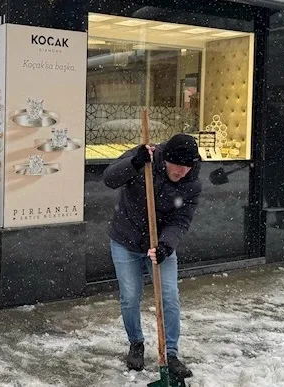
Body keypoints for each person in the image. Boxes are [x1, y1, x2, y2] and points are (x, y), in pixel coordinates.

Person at [103, 134, 202, 379]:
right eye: (177, 165)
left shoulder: (192, 183)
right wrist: (133, 163)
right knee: (129, 296)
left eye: (187, 166)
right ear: (165, 159)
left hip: (160, 244)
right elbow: (109, 179)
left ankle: (171, 353)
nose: (182, 171)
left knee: (169, 296)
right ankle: (136, 343)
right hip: (125, 239)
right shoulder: (145, 157)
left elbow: (181, 220)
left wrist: (166, 245)